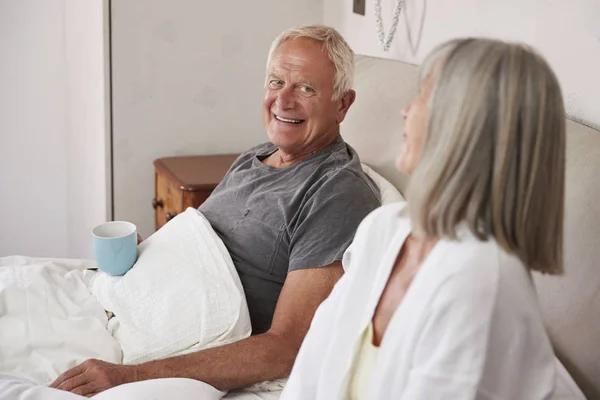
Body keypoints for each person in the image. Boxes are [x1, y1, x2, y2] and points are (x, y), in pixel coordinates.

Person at [50, 25, 380, 396]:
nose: (283, 101)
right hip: (121, 305)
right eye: (275, 82)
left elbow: (286, 347)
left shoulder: (336, 193)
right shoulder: (254, 157)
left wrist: (131, 377)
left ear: (342, 104)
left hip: (161, 350)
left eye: (305, 88)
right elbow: (201, 244)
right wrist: (150, 255)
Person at [281, 38, 566, 399]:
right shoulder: (383, 229)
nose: (405, 110)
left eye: (424, 96)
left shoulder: (481, 278)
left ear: (465, 127)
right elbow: (313, 366)